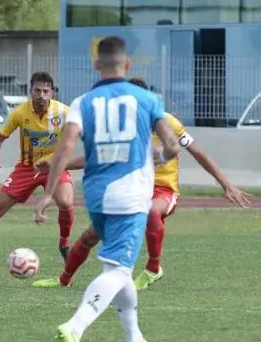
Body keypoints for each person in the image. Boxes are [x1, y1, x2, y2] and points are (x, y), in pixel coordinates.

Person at [32, 77, 252, 290]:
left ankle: (153, 269)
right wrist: (57, 165)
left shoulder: (168, 123)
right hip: (131, 190)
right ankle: (64, 279)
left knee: (151, 212)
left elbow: (199, 153)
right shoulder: (122, 127)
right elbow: (97, 157)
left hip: (163, 191)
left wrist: (226, 184)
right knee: (91, 235)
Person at [34, 36, 181, 342]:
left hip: (97, 196)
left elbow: (65, 148)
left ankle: (133, 335)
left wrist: (48, 194)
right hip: (131, 196)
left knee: (120, 269)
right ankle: (75, 326)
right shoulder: (147, 100)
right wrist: (159, 157)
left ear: (95, 65)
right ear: (127, 65)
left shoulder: (82, 102)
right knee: (117, 271)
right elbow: (171, 147)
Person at [0, 72, 74, 263]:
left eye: (46, 91)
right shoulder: (20, 112)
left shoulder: (64, 112)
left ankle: (64, 243)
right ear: (31, 91)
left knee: (66, 202)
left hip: (54, 167)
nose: (41, 95)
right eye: (37, 90)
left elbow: (80, 135)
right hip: (26, 168)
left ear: (52, 92)